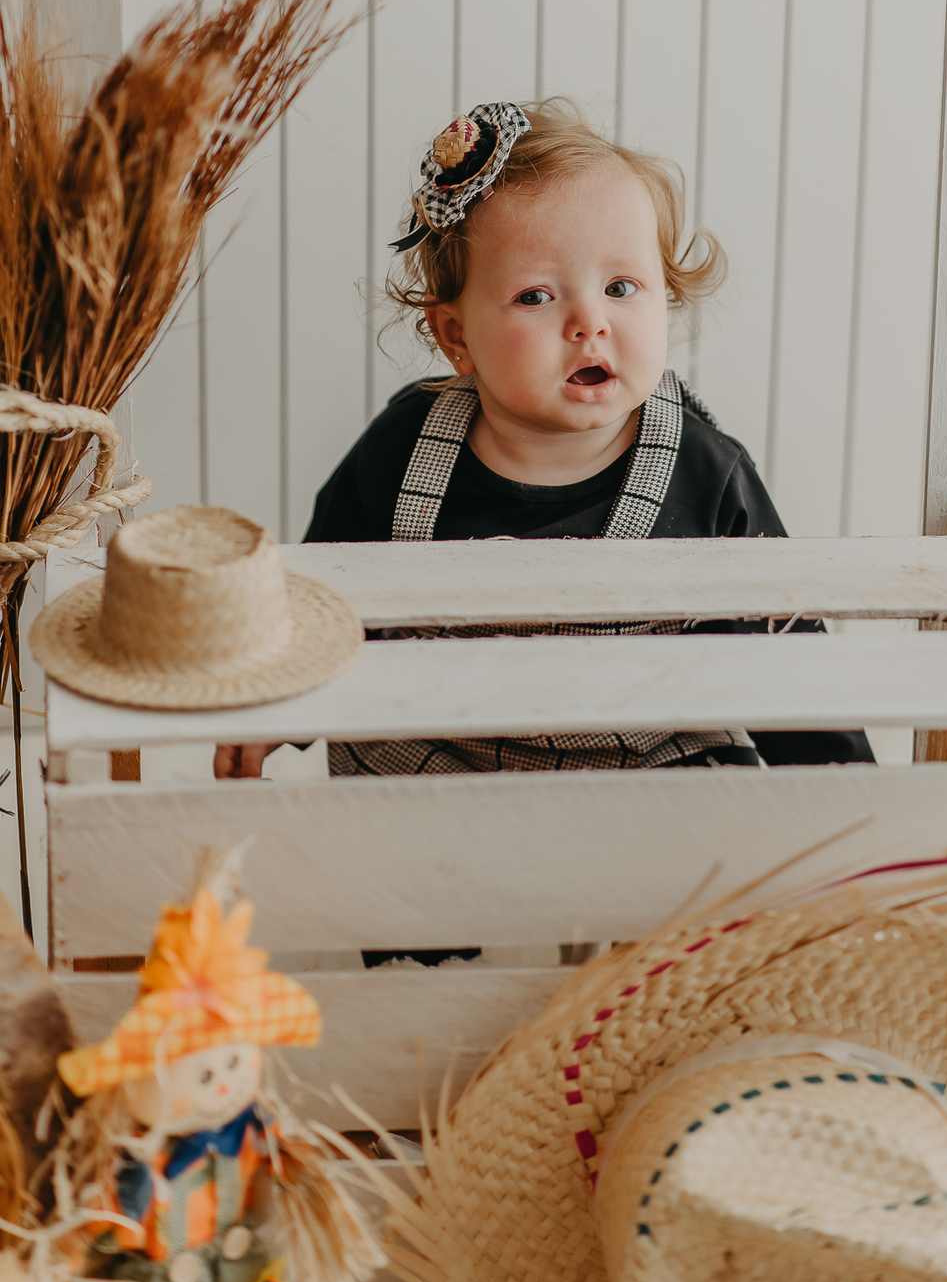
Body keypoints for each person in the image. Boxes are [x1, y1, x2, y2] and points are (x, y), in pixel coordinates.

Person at [215, 98, 872, 783]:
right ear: (457, 336)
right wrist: (276, 702)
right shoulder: (406, 446)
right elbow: (321, 601)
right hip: (440, 759)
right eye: (535, 296)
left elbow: (789, 664)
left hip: (644, 765)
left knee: (718, 801)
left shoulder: (706, 472)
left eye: (621, 286)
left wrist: (851, 791)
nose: (590, 322)